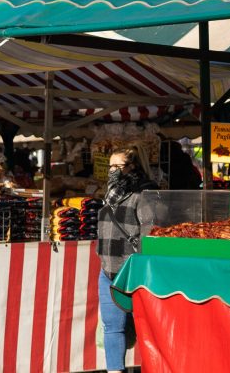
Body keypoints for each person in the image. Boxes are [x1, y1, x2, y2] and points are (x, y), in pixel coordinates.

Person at [97, 147, 158, 373]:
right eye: (110, 166)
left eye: (118, 167)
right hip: (107, 271)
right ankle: (115, 370)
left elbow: (150, 232)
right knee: (112, 326)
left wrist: (139, 263)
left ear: (132, 168)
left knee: (145, 326)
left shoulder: (144, 194)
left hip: (133, 272)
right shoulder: (110, 193)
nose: (112, 171)